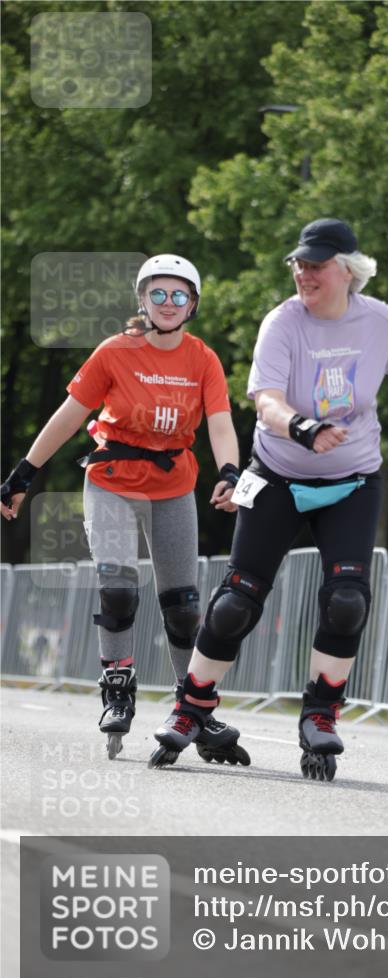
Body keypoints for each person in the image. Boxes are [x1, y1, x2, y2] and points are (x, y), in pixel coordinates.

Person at [149, 219, 388, 779]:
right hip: (277, 475)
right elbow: (266, 401)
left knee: (348, 600)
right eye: (299, 264)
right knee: (236, 602)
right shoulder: (283, 323)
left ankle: (321, 714)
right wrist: (302, 427)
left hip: (352, 482)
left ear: (348, 270)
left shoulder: (378, 320)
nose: (304, 273)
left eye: (317, 265)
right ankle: (192, 707)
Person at [1, 254, 250, 766]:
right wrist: (23, 474)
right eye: (158, 294)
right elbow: (70, 415)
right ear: (142, 299)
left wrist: (230, 472)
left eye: (178, 295)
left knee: (182, 605)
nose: (167, 303)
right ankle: (118, 688)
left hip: (173, 484)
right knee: (117, 589)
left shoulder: (202, 359)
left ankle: (194, 707)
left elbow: (221, 422)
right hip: (112, 481)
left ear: (192, 304)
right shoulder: (115, 351)